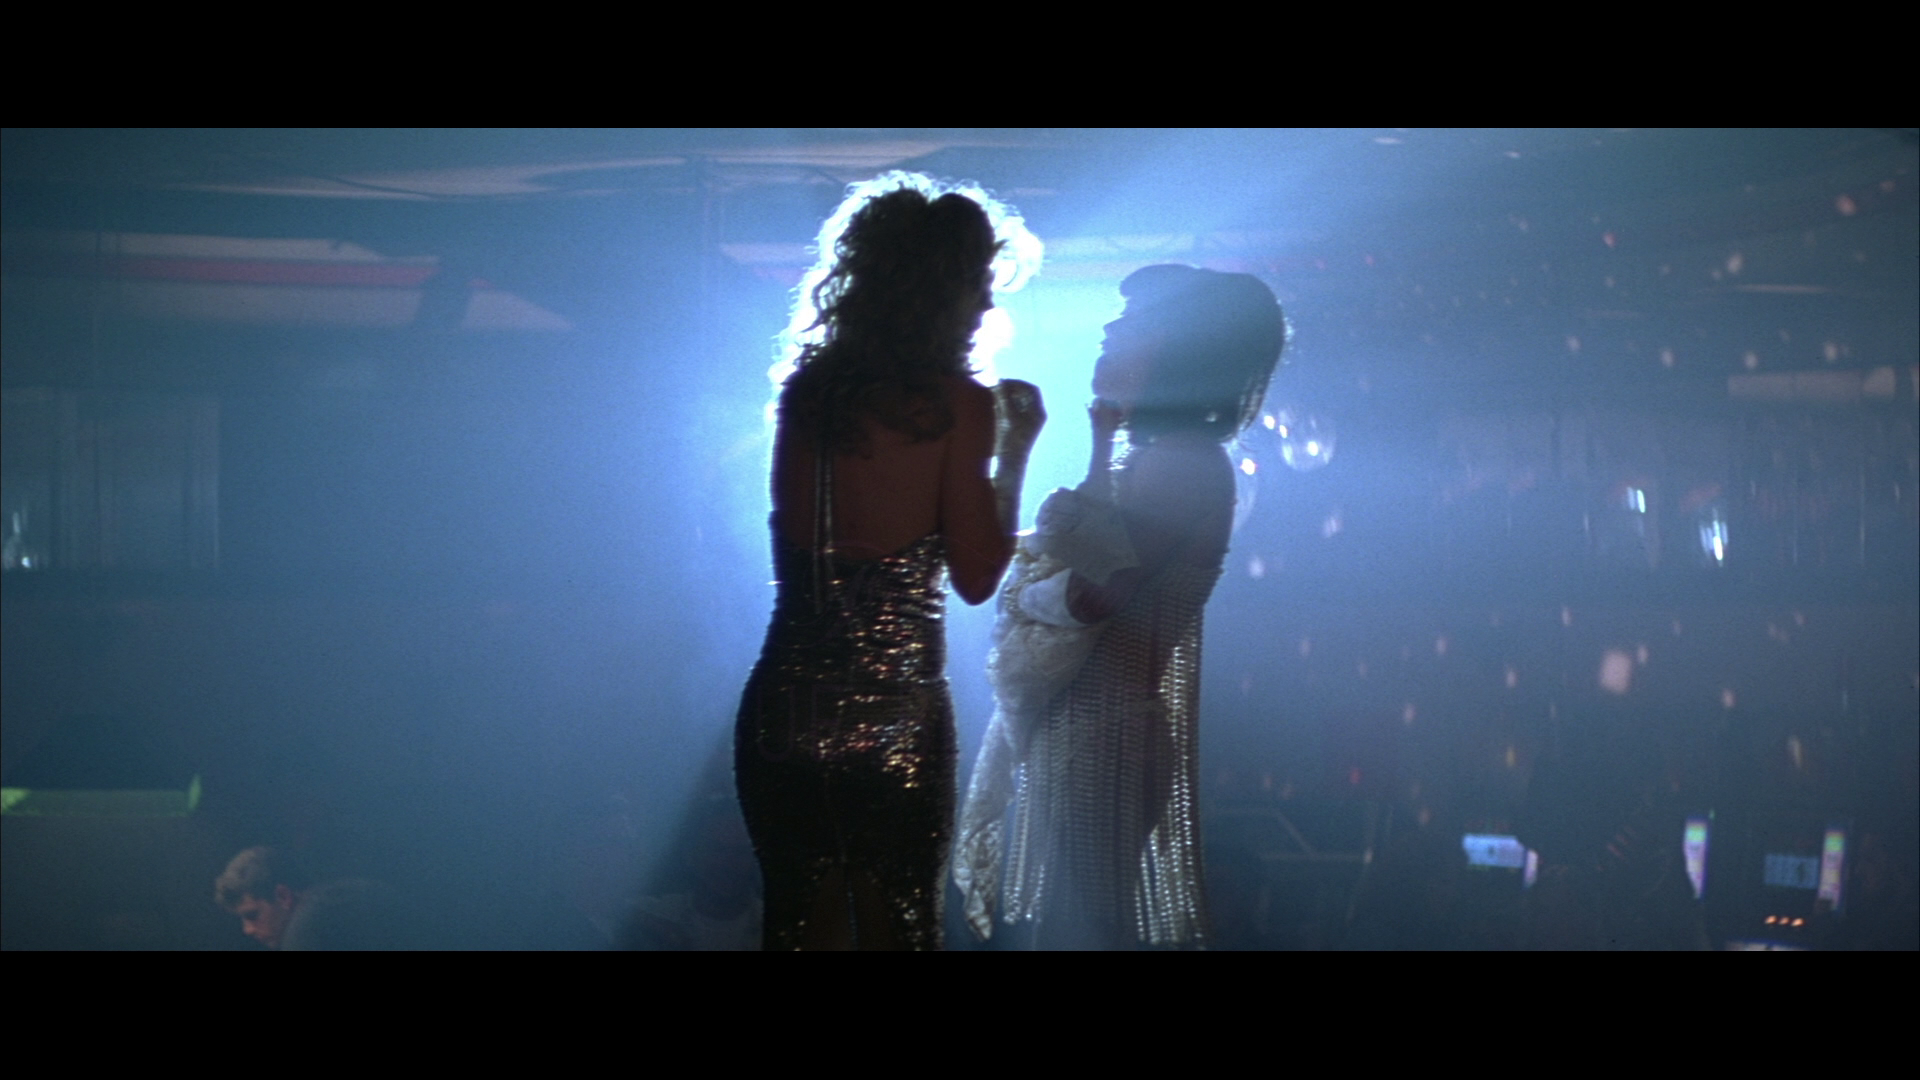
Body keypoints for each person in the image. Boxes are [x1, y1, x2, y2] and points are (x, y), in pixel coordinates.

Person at [735, 173, 1043, 950]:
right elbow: (977, 577)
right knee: (896, 927)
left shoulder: (809, 395)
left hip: (786, 705)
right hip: (896, 719)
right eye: (979, 280)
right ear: (945, 291)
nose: (988, 300)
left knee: (797, 925)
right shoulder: (957, 407)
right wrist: (1014, 453)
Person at [955, 264, 1286, 949]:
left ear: (1182, 351)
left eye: (1132, 323)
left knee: (1080, 932)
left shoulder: (1183, 462)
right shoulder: (1165, 457)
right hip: (1092, 732)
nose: (1109, 330)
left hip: (1102, 737)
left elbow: (1095, 593)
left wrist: (1017, 594)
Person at [214, 846, 411, 950]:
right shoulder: (344, 896)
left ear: (283, 896)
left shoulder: (304, 930)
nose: (248, 930)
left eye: (252, 915)